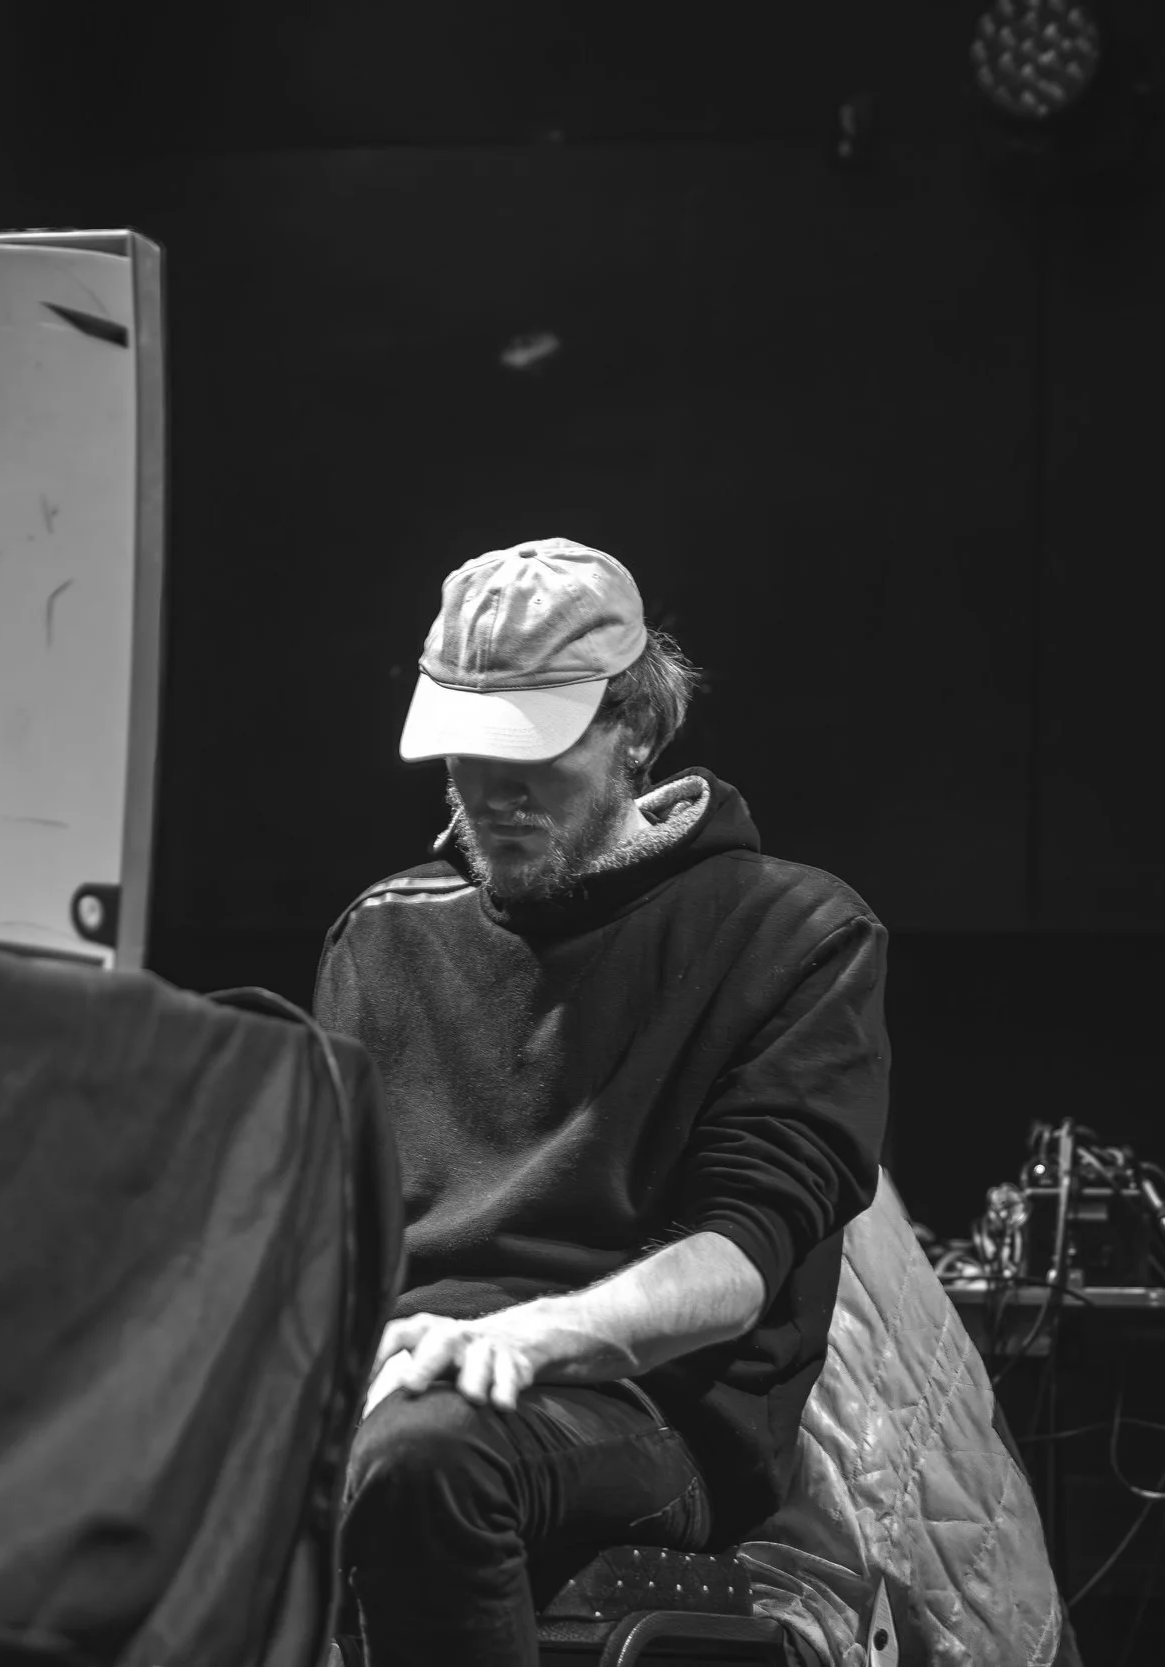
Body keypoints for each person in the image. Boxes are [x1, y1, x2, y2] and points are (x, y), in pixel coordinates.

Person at [314, 538, 892, 1667]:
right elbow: (321, 1240)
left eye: (532, 749)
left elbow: (736, 1260)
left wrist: (523, 1337)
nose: (492, 791)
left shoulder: (793, 935)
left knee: (428, 1455)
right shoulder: (382, 934)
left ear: (635, 727)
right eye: (467, 750)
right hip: (406, 1370)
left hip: (645, 1405)